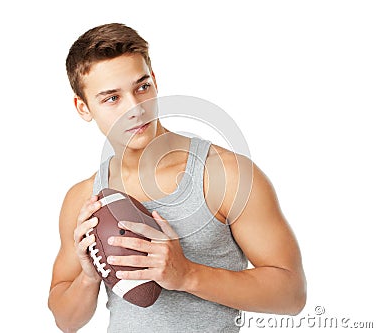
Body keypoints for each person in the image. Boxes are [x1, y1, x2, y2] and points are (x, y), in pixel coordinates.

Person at [48, 23, 306, 333]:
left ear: (155, 81)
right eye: (112, 98)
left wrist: (186, 274)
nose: (135, 108)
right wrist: (89, 277)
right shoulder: (83, 199)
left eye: (142, 87)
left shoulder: (224, 175)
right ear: (83, 107)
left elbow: (292, 295)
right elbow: (65, 320)